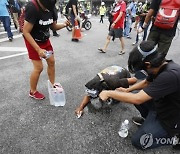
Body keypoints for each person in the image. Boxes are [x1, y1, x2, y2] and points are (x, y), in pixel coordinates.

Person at [99, 40, 180, 150]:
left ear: (148, 64)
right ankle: (149, 121)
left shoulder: (170, 75)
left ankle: (174, 138)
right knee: (134, 94)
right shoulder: (159, 67)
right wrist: (127, 91)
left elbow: (137, 99)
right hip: (163, 104)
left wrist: (109, 93)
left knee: (139, 141)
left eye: (141, 70)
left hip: (173, 118)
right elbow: (146, 82)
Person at [23, 0, 70, 100]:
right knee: (39, 67)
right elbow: (25, 32)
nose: (46, 10)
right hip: (33, 41)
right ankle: (32, 91)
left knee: (52, 61)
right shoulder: (32, 7)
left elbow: (53, 26)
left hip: (45, 40)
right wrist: (38, 49)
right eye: (44, 7)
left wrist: (64, 25)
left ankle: (53, 85)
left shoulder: (51, 6)